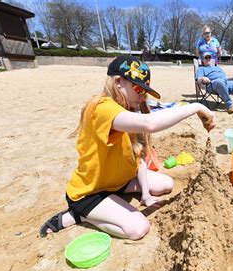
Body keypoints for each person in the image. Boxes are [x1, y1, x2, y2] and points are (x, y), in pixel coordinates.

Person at [39, 55, 216, 240]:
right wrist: (195, 106)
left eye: (145, 92)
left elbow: (139, 157)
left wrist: (146, 195)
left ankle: (115, 197)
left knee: (166, 184)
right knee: (138, 228)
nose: (142, 97)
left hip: (117, 181)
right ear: (118, 82)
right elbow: (150, 123)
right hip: (90, 192)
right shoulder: (100, 107)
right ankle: (79, 215)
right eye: (139, 89)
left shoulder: (128, 111)